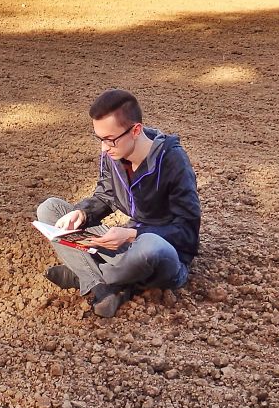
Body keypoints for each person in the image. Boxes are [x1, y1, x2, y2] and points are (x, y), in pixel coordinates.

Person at [36, 89, 200, 318]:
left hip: (164, 253)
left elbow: (188, 232)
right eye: (100, 139)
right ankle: (103, 285)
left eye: (110, 139)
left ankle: (86, 274)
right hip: (126, 245)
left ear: (136, 130)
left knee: (150, 245)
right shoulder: (113, 153)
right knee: (50, 209)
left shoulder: (173, 161)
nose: (104, 148)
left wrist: (132, 235)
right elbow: (106, 195)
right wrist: (82, 213)